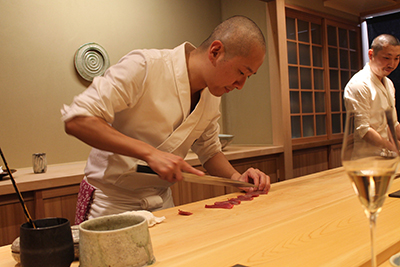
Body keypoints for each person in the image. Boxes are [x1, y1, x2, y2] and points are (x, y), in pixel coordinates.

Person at [61, 15, 271, 223]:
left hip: (161, 202)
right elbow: (77, 118)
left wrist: (237, 179)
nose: (241, 84)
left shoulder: (211, 95)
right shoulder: (145, 66)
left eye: (248, 77)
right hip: (110, 202)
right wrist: (150, 153)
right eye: (241, 72)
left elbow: (209, 150)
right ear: (215, 52)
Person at [344, 34, 400, 152]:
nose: (392, 64)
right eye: (387, 58)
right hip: (368, 158)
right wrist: (394, 148)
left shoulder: (389, 83)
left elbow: (393, 124)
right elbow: (364, 130)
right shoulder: (360, 84)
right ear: (371, 54)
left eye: (396, 58)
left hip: (389, 157)